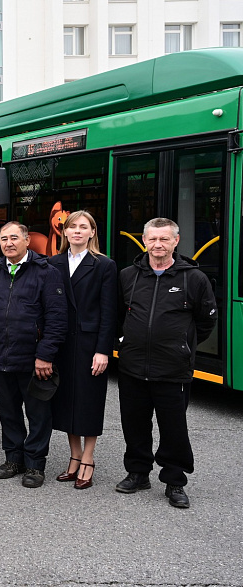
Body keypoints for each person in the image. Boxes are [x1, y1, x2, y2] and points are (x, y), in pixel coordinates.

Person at [115, 218, 216, 509]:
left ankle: (174, 481)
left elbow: (206, 321)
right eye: (152, 239)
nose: (158, 245)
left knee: (173, 428)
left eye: (164, 239)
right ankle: (137, 472)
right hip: (132, 367)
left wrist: (183, 346)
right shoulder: (128, 276)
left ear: (175, 241)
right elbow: (118, 316)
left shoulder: (193, 278)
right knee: (134, 424)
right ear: (144, 241)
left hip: (172, 369)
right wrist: (123, 343)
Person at [0, 221, 67, 488]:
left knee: (38, 414)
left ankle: (35, 464)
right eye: (3, 239)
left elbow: (56, 318)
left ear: (27, 240)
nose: (8, 243)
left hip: (34, 360)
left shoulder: (46, 272)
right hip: (2, 357)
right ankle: (13, 459)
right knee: (8, 413)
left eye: (14, 238)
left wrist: (45, 355)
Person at [47, 211, 118, 490]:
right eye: (72, 226)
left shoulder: (104, 265)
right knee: (65, 400)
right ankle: (74, 456)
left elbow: (108, 312)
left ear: (92, 233)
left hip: (90, 344)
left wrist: (103, 350)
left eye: (83, 227)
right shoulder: (53, 263)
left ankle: (88, 458)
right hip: (62, 343)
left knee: (88, 400)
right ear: (64, 232)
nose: (77, 231)